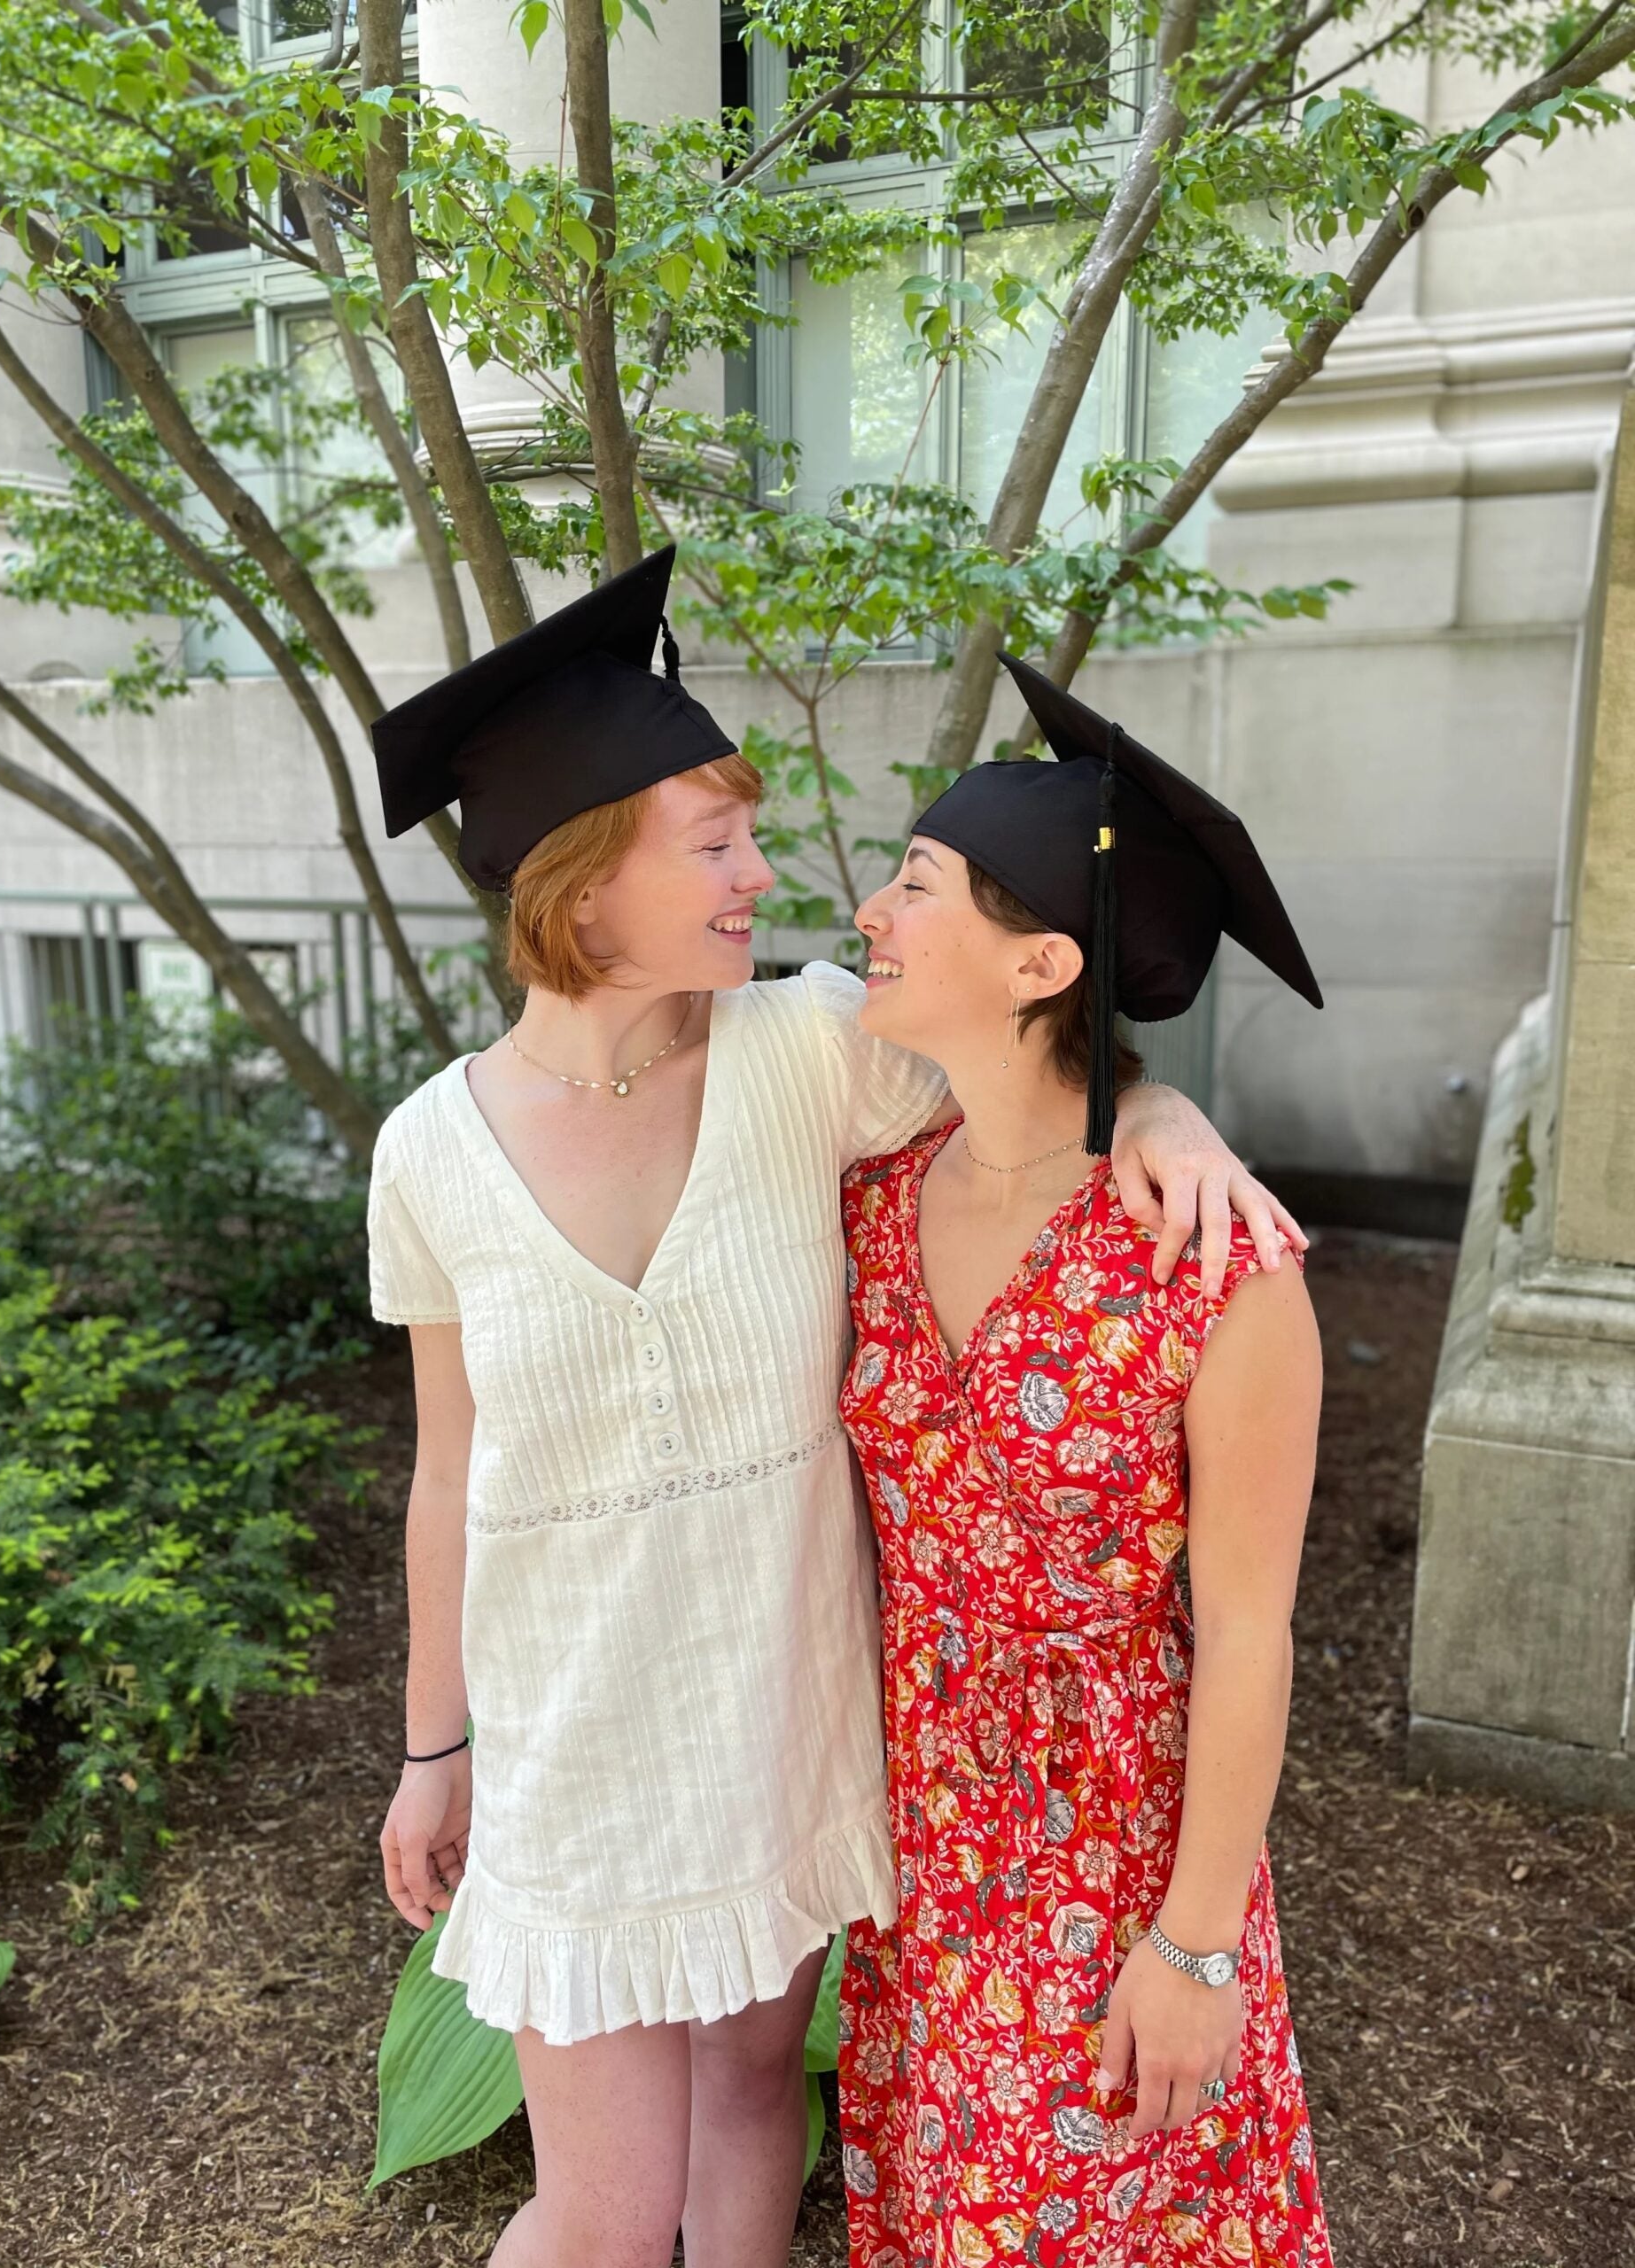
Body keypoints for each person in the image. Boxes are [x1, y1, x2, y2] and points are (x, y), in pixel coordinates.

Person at [362, 551, 1309, 2268]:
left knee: (757, 2117)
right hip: (580, 1743)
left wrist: (1171, 1119)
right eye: (717, 843)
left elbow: (1045, 1042)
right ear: (583, 886)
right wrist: (438, 1745)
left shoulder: (805, 1052)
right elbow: (449, 1471)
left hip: (794, 1717)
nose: (773, 875)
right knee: (595, 2210)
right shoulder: (430, 1150)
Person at [837, 654, 1332, 2267]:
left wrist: (1192, 1951)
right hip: (918, 1846)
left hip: (1113, 1857)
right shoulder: (868, 1203)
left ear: (1041, 958)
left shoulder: (1216, 1268)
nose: (870, 913)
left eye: (913, 886)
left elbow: (1251, 1631)